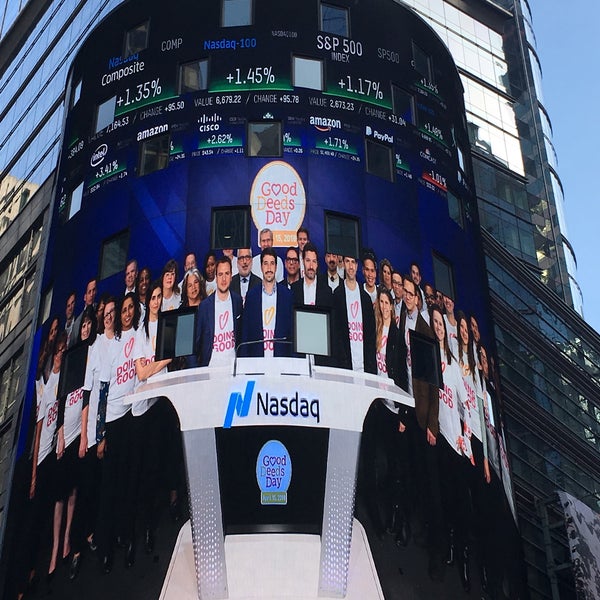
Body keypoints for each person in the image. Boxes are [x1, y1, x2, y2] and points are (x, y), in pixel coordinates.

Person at [397, 277, 444, 581]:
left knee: (432, 487)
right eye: (405, 294)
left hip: (425, 417)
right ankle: (417, 530)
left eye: (412, 294)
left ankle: (437, 553)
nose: (408, 298)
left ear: (418, 297)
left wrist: (432, 425)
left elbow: (434, 383)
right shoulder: (401, 321)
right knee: (411, 474)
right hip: (408, 410)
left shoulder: (426, 331)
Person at [95, 294, 139, 573]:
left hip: (129, 418)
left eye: (126, 309)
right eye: (117, 311)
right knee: (108, 489)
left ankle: (124, 535)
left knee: (126, 483)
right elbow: (101, 393)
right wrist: (100, 435)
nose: (123, 314)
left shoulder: (134, 337)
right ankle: (105, 548)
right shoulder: (109, 345)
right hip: (111, 422)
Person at [55, 307, 97, 580]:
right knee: (67, 492)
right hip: (67, 436)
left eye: (88, 326)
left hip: (87, 432)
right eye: (83, 326)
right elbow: (62, 396)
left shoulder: (92, 354)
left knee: (85, 489)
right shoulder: (72, 356)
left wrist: (85, 435)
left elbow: (87, 396)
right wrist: (60, 431)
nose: (85, 330)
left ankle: (80, 544)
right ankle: (66, 543)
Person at [131, 280, 173, 555]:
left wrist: (154, 364)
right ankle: (141, 528)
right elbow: (141, 374)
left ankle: (154, 527)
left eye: (159, 296)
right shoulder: (139, 333)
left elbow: (171, 358)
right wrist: (159, 362)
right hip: (144, 406)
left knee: (159, 466)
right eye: (153, 296)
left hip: (164, 402)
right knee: (144, 470)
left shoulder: (168, 323)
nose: (156, 300)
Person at [430, 305, 471, 588]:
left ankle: (464, 556)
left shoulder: (455, 366)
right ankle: (447, 549)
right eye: (433, 323)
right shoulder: (429, 354)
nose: (437, 327)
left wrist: (465, 437)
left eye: (440, 323)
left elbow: (465, 406)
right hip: (437, 438)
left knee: (460, 505)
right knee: (441, 502)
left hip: (456, 445)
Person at [242, 247, 293, 357]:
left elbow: (292, 334)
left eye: (272, 264)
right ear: (261, 267)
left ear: (276, 267)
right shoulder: (251, 296)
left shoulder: (287, 295)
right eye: (265, 263)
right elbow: (245, 334)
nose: (269, 268)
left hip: (281, 360)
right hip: (257, 361)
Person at [195, 257, 243, 367]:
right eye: (220, 274)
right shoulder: (205, 306)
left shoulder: (237, 301)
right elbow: (196, 344)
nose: (224, 279)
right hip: (211, 369)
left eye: (227, 274)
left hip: (233, 368)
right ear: (216, 277)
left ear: (231, 276)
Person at [332, 255, 376, 374]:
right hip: (345, 365)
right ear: (343, 265)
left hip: (364, 366)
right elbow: (336, 333)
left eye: (353, 262)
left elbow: (371, 336)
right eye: (347, 262)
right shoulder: (337, 295)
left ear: (357, 266)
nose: (350, 266)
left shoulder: (366, 299)